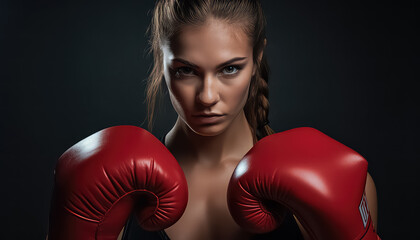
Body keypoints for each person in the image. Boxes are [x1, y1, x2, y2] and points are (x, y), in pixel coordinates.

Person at [120, 0, 378, 239]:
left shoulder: (338, 185)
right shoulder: (117, 192)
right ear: (160, 59)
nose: (207, 96)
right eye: (186, 70)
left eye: (230, 68)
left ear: (257, 58)